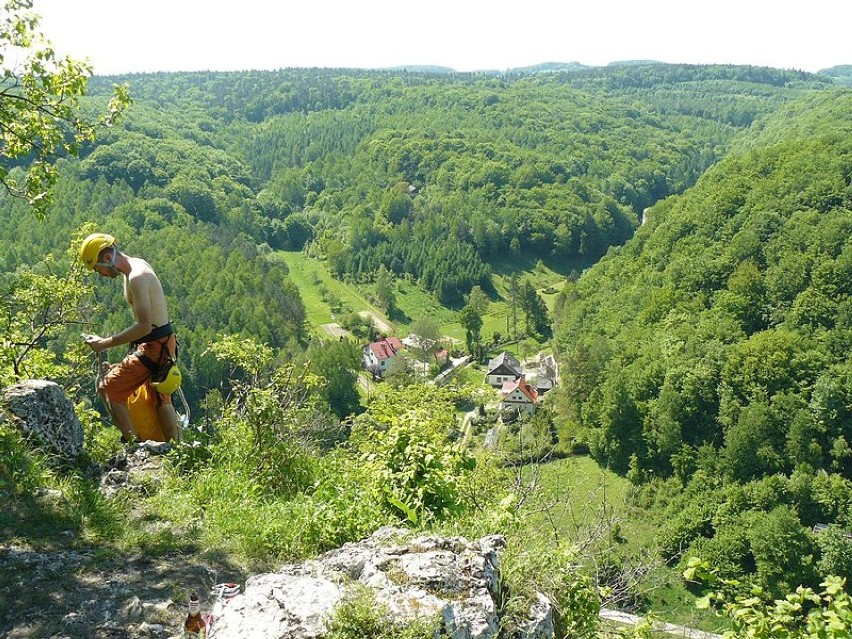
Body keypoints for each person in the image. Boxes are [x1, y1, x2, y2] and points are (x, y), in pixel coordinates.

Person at [79, 233, 180, 442]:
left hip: (155, 345)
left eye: (99, 269)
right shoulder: (135, 268)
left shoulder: (136, 277)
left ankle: (136, 447)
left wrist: (104, 343)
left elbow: (144, 326)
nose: (102, 275)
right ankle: (174, 449)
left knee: (109, 389)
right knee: (160, 397)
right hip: (160, 343)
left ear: (107, 258)